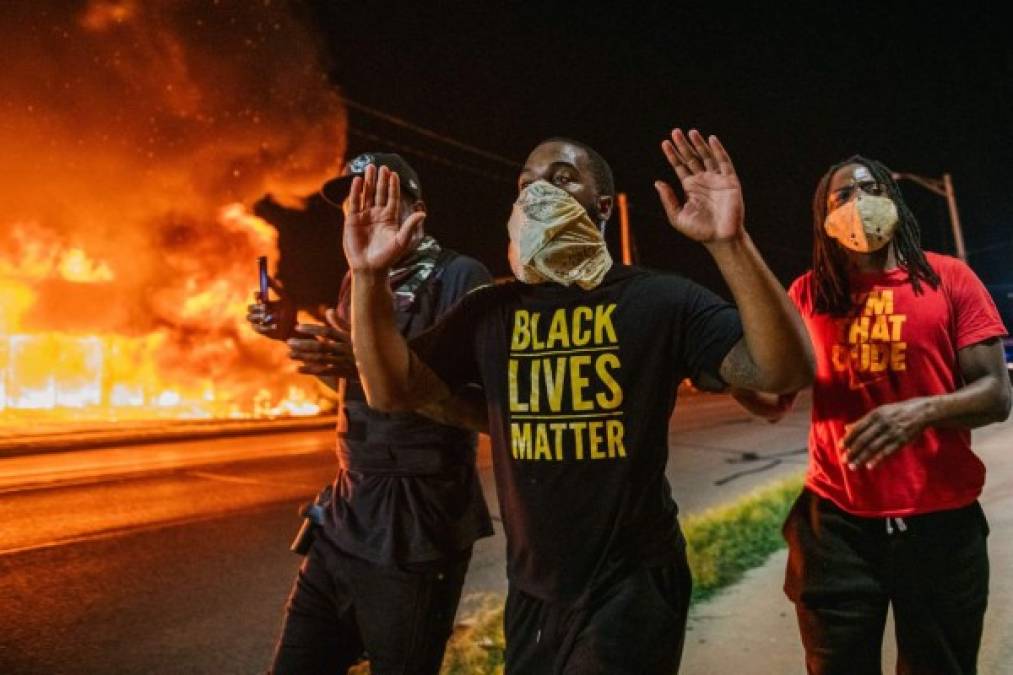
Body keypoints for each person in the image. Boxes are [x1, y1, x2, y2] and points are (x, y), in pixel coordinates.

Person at [341, 129, 814, 674]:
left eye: (563, 178)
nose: (540, 190)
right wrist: (368, 275)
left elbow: (783, 371)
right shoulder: (491, 310)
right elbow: (391, 389)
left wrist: (729, 243)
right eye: (526, 184)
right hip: (535, 592)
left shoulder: (659, 300)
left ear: (602, 207)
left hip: (631, 585)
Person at [733, 156, 1011, 674]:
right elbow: (774, 401)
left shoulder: (949, 279)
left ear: (895, 200)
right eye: (841, 196)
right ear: (823, 219)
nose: (858, 202)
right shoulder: (807, 294)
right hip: (836, 528)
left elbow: (996, 395)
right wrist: (725, 369)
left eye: (871, 187)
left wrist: (920, 412)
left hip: (940, 524)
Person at [248, 152, 494, 675]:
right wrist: (291, 332)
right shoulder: (356, 280)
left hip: (416, 523)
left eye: (383, 194)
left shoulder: (459, 276)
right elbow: (347, 383)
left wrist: (364, 367)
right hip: (346, 514)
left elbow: (485, 410)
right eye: (356, 196)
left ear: (417, 209)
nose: (366, 205)